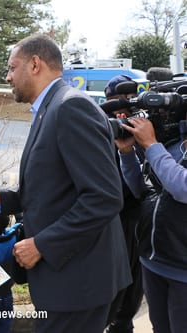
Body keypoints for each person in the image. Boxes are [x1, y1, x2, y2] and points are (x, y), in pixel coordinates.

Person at [0, 34, 132, 333]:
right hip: (67, 281)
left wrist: (43, 244)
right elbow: (52, 187)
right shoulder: (51, 108)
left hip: (78, 283)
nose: (8, 77)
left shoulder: (70, 108)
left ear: (35, 64)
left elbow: (104, 197)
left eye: (12, 67)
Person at [116, 102, 187, 332]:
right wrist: (127, 153)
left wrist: (151, 144)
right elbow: (143, 191)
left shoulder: (158, 147)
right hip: (152, 261)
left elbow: (182, 188)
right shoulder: (173, 147)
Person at [102, 75, 144, 333]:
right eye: (109, 104)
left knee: (131, 281)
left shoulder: (145, 129)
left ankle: (122, 321)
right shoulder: (103, 129)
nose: (115, 112)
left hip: (135, 218)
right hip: (109, 218)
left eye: (119, 104)